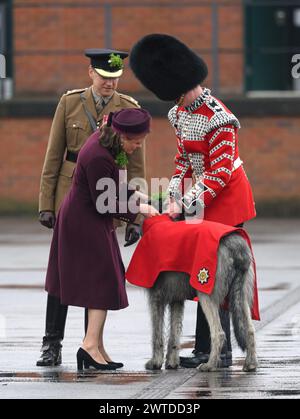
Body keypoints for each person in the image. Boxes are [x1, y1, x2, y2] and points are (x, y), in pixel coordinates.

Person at [129, 34, 256, 368]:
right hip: (200, 195)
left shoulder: (220, 119)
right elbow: (183, 160)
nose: (176, 102)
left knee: (217, 272)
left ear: (188, 86)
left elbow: (219, 173)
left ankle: (220, 350)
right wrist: (173, 196)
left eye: (177, 96)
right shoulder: (180, 113)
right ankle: (204, 347)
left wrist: (184, 203)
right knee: (199, 268)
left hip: (228, 198)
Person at [37, 48, 145, 367]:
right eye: (103, 76)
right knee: (62, 272)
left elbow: (136, 168)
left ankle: (91, 344)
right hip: (69, 195)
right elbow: (53, 155)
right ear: (90, 73)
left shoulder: (128, 109)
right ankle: (51, 343)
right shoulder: (69, 102)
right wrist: (46, 203)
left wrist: (135, 215)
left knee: (95, 271)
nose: (109, 83)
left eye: (115, 78)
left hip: (105, 198)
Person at [44, 108, 159, 370]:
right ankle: (88, 346)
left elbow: (112, 183)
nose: (138, 147)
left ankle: (97, 345)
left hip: (92, 219)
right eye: (136, 142)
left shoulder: (108, 143)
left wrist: (136, 195)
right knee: (101, 281)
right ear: (122, 136)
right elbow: (104, 202)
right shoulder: (97, 154)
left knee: (105, 279)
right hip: (83, 222)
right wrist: (139, 210)